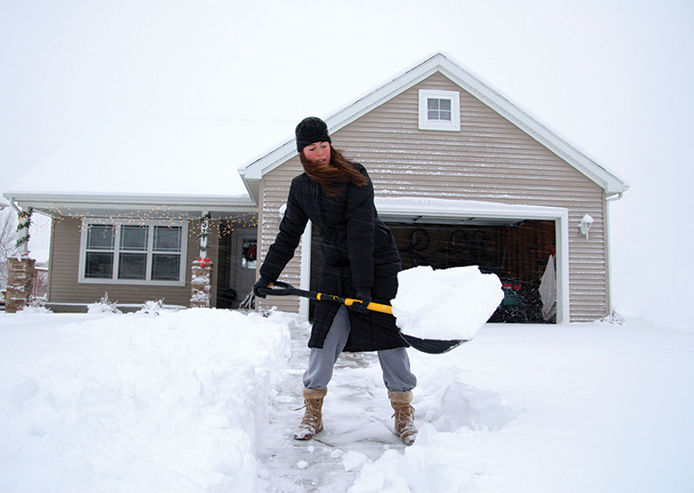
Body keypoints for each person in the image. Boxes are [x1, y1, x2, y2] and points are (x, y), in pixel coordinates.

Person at [253, 116, 418, 445]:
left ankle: (402, 409)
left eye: (323, 146)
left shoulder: (355, 175)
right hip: (336, 267)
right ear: (303, 153)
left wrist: (364, 287)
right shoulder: (301, 187)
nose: (320, 154)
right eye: (311, 149)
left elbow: (360, 231)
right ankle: (313, 409)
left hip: (376, 260)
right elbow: (288, 235)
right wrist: (267, 275)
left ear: (330, 144)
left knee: (386, 334)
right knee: (325, 335)